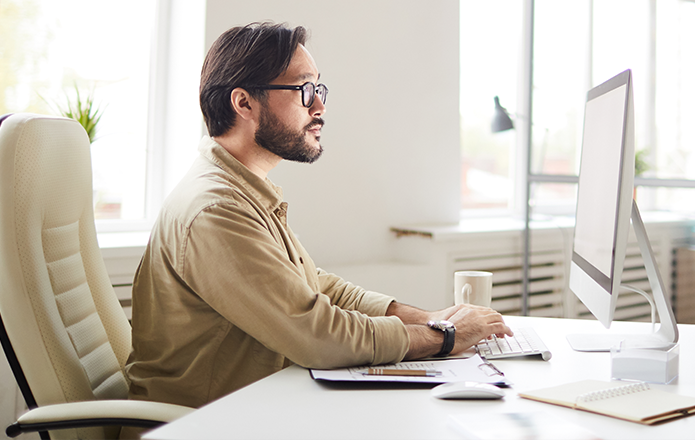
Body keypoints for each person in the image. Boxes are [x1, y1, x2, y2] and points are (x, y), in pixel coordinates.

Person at [124, 21, 512, 410]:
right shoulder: (216, 210)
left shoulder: (242, 191)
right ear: (244, 103)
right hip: (200, 427)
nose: (319, 106)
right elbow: (318, 334)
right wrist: (444, 337)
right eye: (304, 89)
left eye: (319, 89)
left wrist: (429, 318)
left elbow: (318, 289)